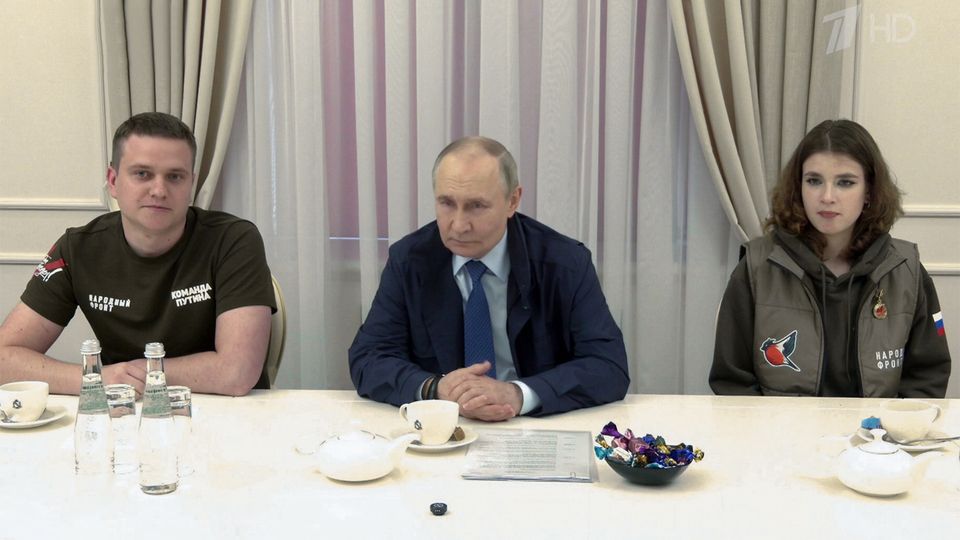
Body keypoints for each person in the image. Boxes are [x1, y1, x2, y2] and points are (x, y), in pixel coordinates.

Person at [348, 136, 630, 421]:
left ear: (512, 201)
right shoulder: (409, 260)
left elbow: (608, 365)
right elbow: (369, 357)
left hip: (533, 423)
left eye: (476, 206)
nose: (459, 225)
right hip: (444, 425)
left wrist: (518, 394)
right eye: (447, 203)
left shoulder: (564, 263)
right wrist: (436, 389)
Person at [0, 112, 275, 397]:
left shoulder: (234, 240)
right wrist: (97, 379)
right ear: (113, 180)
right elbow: (4, 359)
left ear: (190, 185)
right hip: (126, 409)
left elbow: (237, 373)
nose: (159, 190)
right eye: (142, 174)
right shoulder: (77, 248)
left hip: (226, 410)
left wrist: (137, 373)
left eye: (175, 176)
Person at [710, 119, 951, 397]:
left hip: (878, 426)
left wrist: (887, 426)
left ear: (869, 191)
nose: (827, 196)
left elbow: (927, 376)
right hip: (780, 425)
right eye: (814, 181)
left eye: (845, 182)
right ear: (798, 187)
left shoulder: (906, 270)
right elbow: (732, 382)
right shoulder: (756, 267)